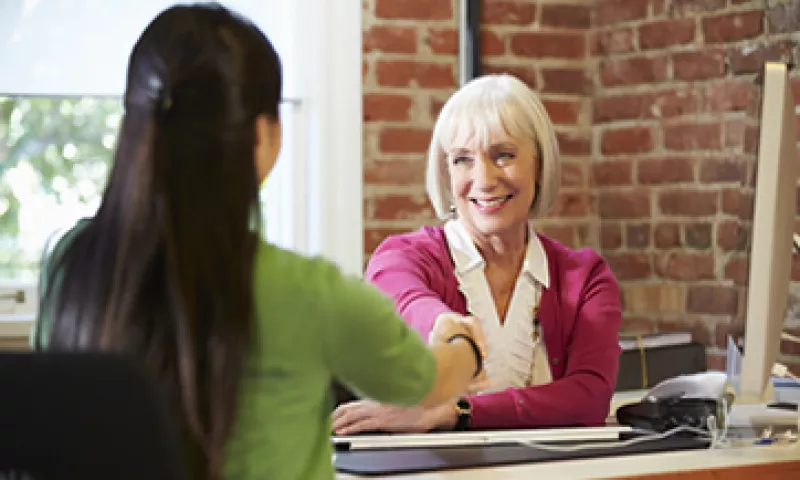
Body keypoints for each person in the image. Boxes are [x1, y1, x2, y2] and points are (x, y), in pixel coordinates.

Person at [32, 4, 486, 480]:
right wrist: (464, 344)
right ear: (263, 136)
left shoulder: (69, 266)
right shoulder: (306, 292)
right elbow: (428, 383)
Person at [332, 74, 622, 435]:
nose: (483, 179)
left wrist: (457, 412)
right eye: (462, 160)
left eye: (503, 156)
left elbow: (589, 399)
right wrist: (444, 327)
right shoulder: (404, 257)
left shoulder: (586, 277)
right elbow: (402, 299)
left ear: (540, 165)